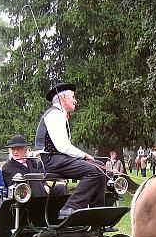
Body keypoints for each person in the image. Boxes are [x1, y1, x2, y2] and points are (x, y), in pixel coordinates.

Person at [34, 82, 107, 220]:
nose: (75, 100)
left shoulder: (59, 115)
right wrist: (84, 155)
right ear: (63, 98)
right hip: (50, 160)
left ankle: (97, 212)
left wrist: (85, 158)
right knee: (94, 171)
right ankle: (70, 208)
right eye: (73, 97)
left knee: (100, 167)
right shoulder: (55, 115)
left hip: (57, 159)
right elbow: (63, 146)